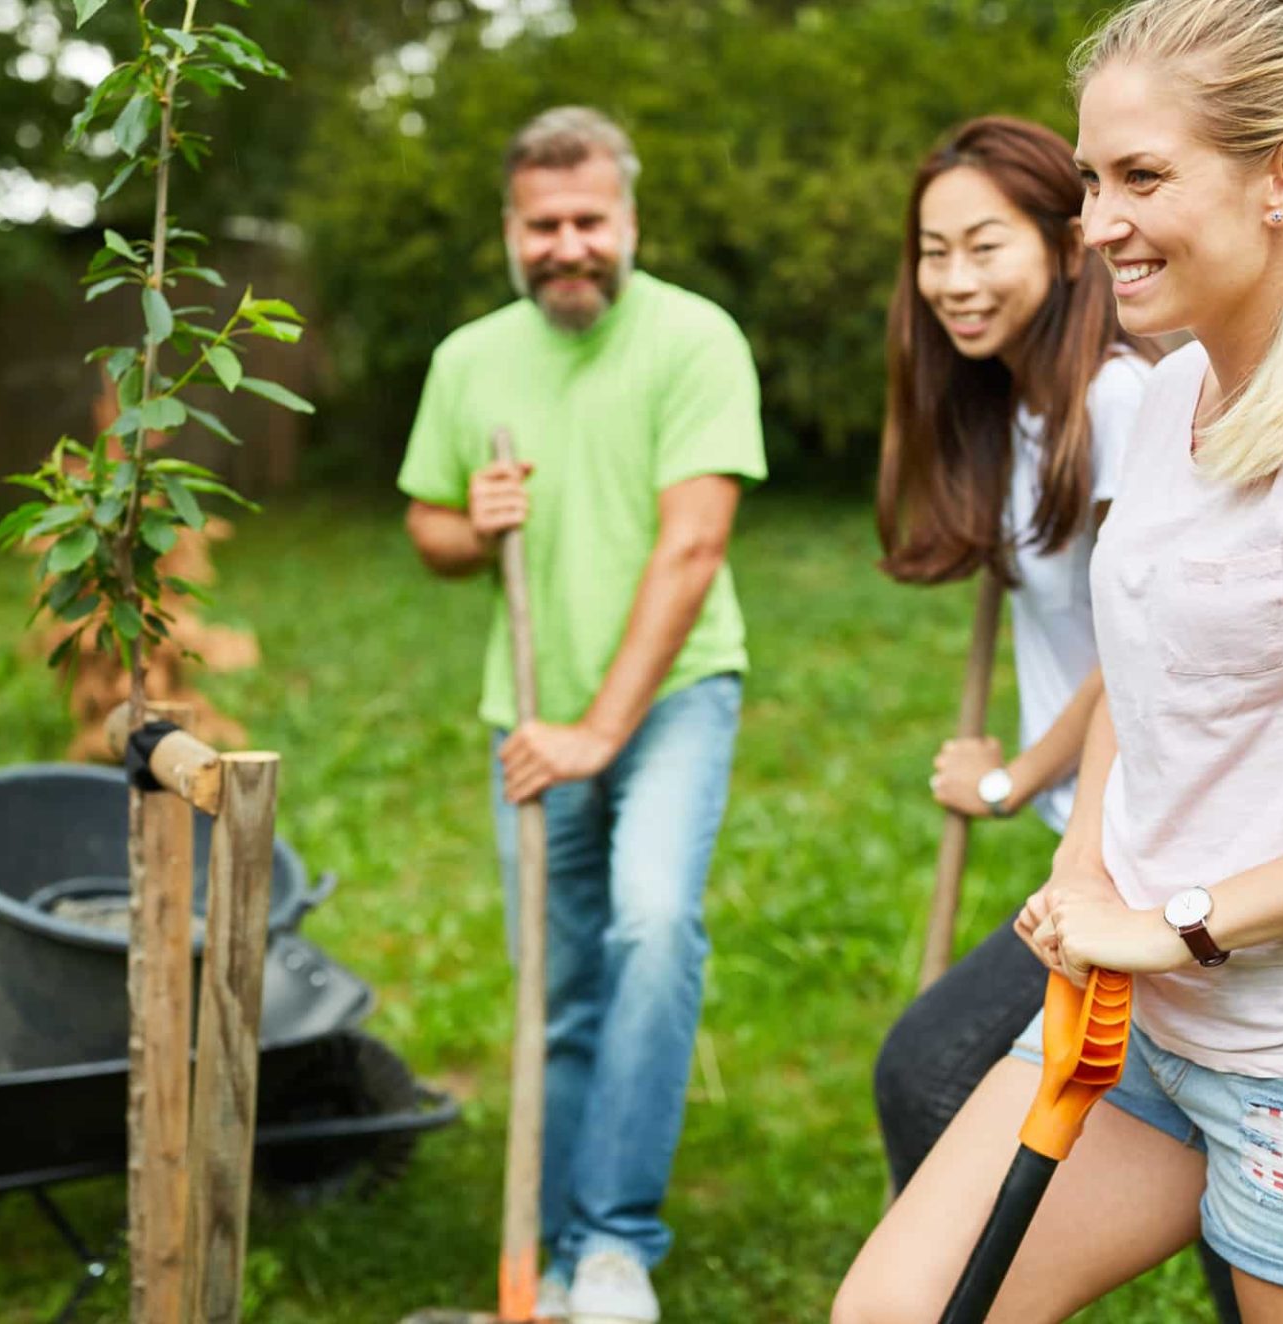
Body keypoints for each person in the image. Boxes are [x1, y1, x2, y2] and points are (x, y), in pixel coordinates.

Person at [835, 0, 1283, 1318]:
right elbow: (1140, 672)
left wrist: (1177, 924)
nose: (1098, 222)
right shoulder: (1169, 395)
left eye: (1143, 177)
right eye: (1096, 178)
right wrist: (1084, 859)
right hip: (1144, 1026)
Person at [398, 106, 765, 1324]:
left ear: (630, 220)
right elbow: (429, 531)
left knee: (652, 926)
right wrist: (476, 520)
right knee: (553, 986)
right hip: (531, 705)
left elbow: (694, 542)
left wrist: (601, 731)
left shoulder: (694, 339)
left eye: (590, 221)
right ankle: (548, 1249)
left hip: (670, 698)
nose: (569, 245)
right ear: (511, 229)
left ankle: (614, 1244)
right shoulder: (469, 360)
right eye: (544, 224)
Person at [869, 115, 1155, 1189]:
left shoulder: (1118, 397)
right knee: (1219, 1147)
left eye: (985, 246)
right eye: (934, 253)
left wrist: (1009, 776)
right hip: (1098, 835)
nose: (954, 279)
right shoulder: (1022, 407)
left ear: (1065, 241)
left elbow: (1144, 638)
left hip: (1146, 834)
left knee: (928, 1072)